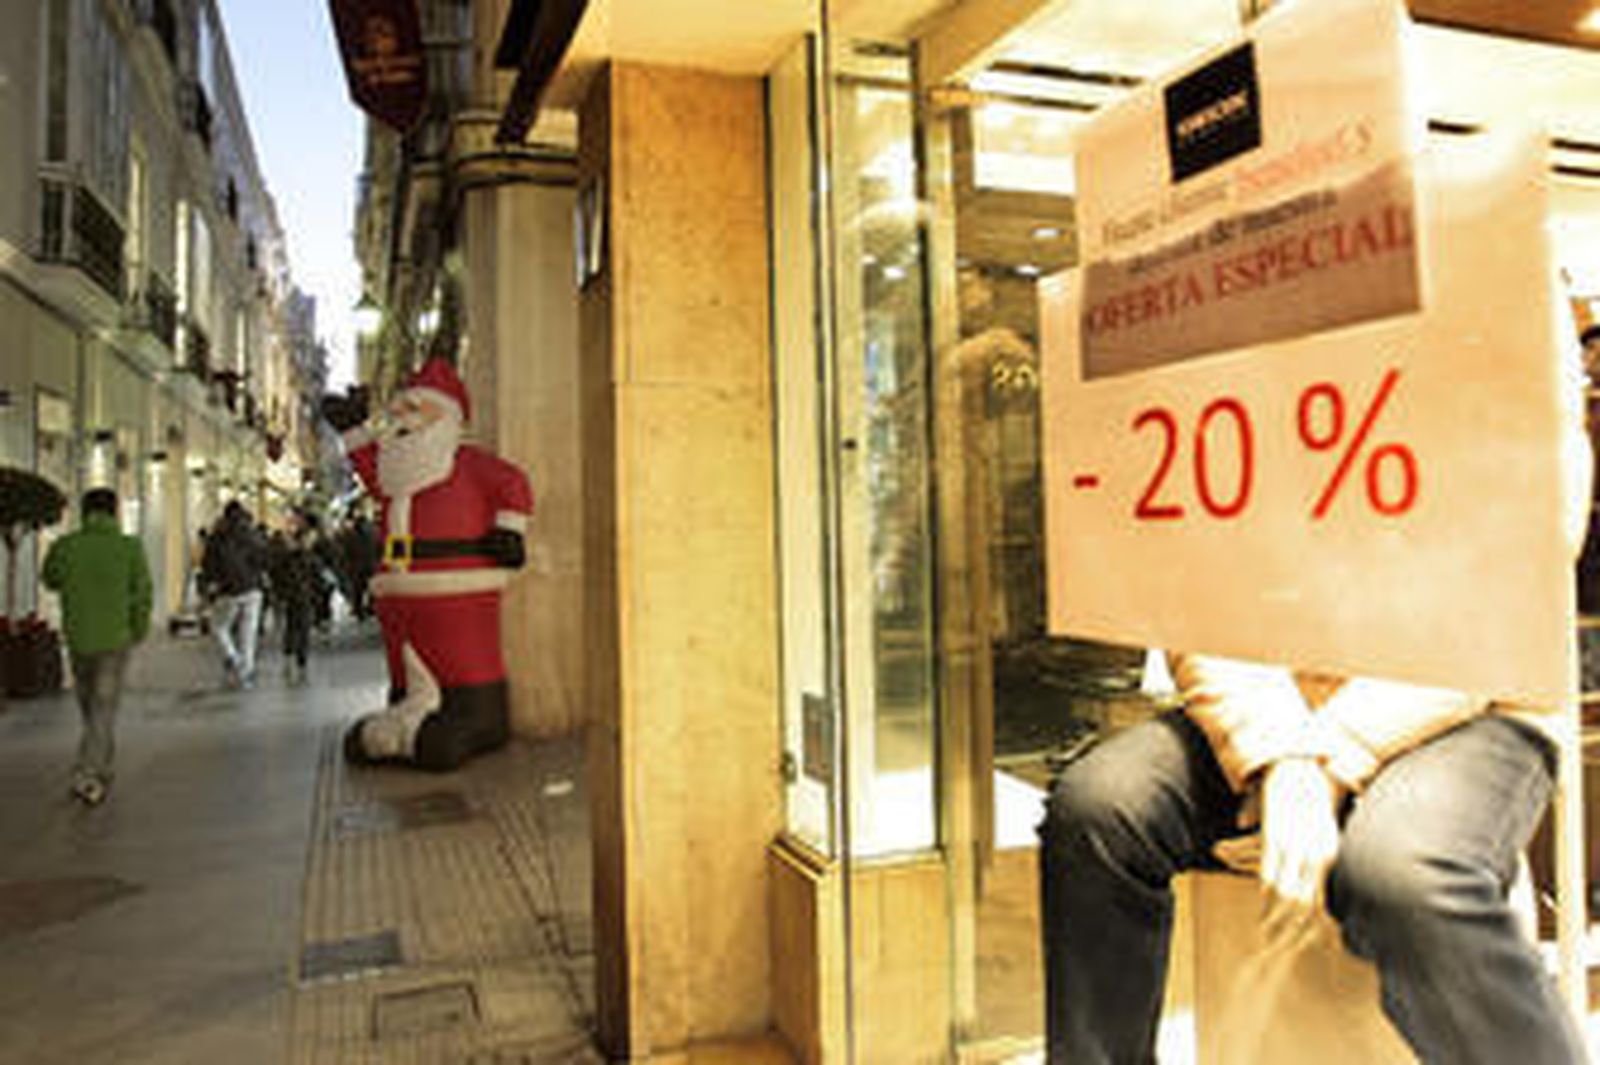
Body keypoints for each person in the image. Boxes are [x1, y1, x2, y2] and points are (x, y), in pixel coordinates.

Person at [322, 354, 533, 771]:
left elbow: (512, 483)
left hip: (458, 587)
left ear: (449, 416)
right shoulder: (394, 472)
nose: (402, 413)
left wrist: (509, 530)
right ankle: (405, 712)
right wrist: (353, 431)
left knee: (461, 657)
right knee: (407, 661)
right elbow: (369, 470)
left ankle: (476, 718)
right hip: (398, 590)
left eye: (415, 406)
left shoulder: (469, 465)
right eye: (400, 406)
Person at [41, 488, 152, 806]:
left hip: (78, 639)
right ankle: (88, 773)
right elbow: (143, 592)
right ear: (114, 512)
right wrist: (139, 628)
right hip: (115, 641)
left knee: (90, 707)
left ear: (85, 512)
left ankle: (101, 764)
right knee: (102, 709)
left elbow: (49, 578)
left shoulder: (66, 546)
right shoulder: (130, 548)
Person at [200, 499, 267, 688]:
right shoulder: (251, 533)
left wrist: (209, 584)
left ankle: (232, 657)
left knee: (219, 626)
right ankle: (246, 674)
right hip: (253, 589)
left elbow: (208, 564)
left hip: (229, 590)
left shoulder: (218, 535)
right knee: (248, 633)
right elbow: (263, 557)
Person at [269, 513, 321, 684]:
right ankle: (300, 659)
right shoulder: (309, 557)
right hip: (303, 595)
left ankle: (290, 656)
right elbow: (316, 576)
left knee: (292, 625)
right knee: (303, 626)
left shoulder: (287, 556)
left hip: (292, 595)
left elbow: (277, 574)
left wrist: (280, 592)